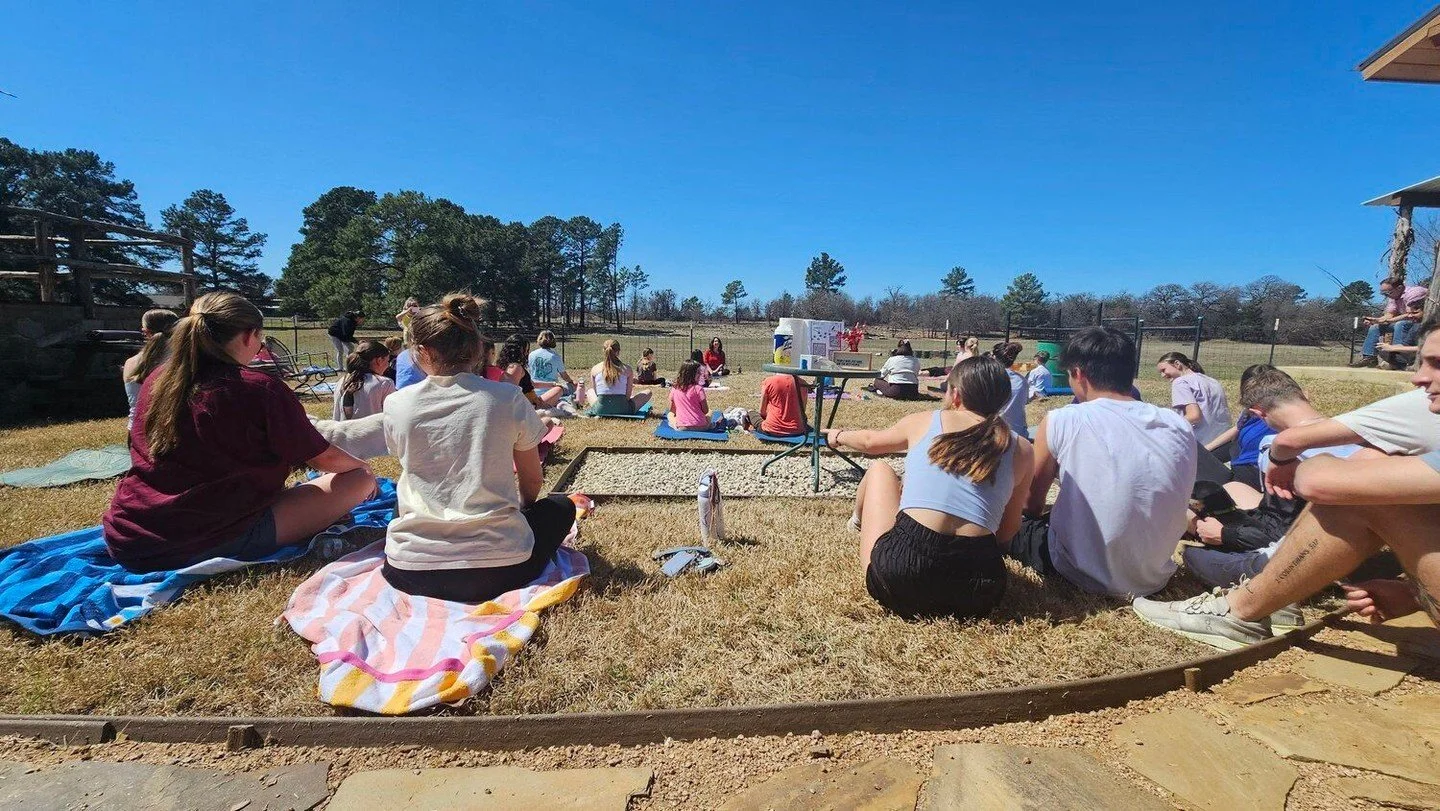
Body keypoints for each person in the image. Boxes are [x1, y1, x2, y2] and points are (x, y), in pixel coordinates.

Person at [1134, 317, 1440, 647]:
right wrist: (1412, 593)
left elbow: (1319, 485)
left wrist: (1287, 455)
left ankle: (1244, 605)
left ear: (1257, 412)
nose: (1418, 377)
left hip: (1275, 539)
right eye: (1423, 362)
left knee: (1359, 487)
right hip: (1339, 548)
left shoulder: (1398, 426)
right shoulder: (1402, 432)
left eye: (1437, 364)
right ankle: (1271, 595)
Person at [102, 293, 375, 573]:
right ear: (248, 336)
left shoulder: (157, 380)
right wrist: (362, 467)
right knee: (359, 479)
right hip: (205, 538)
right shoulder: (258, 388)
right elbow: (321, 458)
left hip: (129, 535)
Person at [379, 293, 577, 603]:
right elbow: (532, 480)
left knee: (403, 499)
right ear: (478, 349)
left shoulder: (396, 403)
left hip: (411, 569)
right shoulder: (506, 398)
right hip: (502, 567)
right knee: (562, 507)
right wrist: (524, 508)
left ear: (421, 353)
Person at [823, 357, 1035, 619]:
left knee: (880, 471)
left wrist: (837, 435)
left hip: (901, 576)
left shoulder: (925, 420)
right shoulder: (1022, 449)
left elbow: (869, 442)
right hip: (980, 592)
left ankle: (859, 522)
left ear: (955, 394)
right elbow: (1007, 531)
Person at [1007, 327, 1196, 597]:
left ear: (1078, 374)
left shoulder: (1063, 419)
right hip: (1154, 573)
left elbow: (1030, 505)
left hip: (1077, 569)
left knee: (1005, 519)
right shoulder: (1177, 424)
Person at [1182, 366, 1362, 587]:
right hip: (1352, 540)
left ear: (1258, 413)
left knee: (1186, 522)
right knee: (1235, 488)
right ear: (1305, 394)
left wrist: (1224, 534)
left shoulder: (1280, 453)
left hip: (1300, 550)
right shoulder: (1355, 439)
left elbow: (1280, 531)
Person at [1157, 351, 1232, 453]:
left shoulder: (1180, 382)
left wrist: (1166, 424)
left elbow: (1194, 416)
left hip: (1200, 445)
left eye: (1163, 370)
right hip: (1222, 443)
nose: (1162, 375)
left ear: (1177, 364)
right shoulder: (1212, 381)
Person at [122, 309, 180, 431]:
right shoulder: (181, 361)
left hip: (136, 431)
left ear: (145, 332)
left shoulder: (130, 363)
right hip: (171, 432)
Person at [1352, 276, 1428, 368]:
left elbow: (1410, 314)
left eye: (1387, 292)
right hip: (1407, 321)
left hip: (1420, 322)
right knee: (1375, 327)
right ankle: (1369, 357)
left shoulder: (1414, 293)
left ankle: (1398, 358)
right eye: (1383, 293)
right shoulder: (1394, 296)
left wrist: (1388, 320)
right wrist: (1377, 320)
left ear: (1399, 288)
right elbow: (1390, 314)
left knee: (1400, 324)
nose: (1386, 295)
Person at [582, 339, 652, 416]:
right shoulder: (627, 369)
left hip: (600, 409)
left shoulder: (595, 369)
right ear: (618, 352)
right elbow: (627, 397)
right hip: (624, 410)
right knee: (648, 392)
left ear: (603, 350)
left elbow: (596, 394)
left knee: (589, 391)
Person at [333, 340, 397, 421]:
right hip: (371, 432)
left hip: (341, 432)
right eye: (387, 361)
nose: (388, 365)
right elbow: (393, 415)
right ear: (379, 360)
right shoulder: (384, 383)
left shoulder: (342, 381)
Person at [499, 334, 563, 408]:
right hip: (531, 405)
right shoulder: (515, 367)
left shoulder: (505, 365)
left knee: (557, 389)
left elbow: (533, 384)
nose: (527, 353)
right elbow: (510, 391)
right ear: (520, 350)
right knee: (559, 390)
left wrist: (553, 384)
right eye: (526, 350)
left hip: (529, 401)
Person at [991, 342, 1030, 440]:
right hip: (1019, 433)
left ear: (994, 357)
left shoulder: (989, 378)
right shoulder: (1022, 381)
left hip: (994, 434)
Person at [754, 372, 809, 436]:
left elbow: (762, 412)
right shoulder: (803, 383)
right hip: (797, 430)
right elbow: (803, 411)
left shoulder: (769, 381)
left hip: (772, 429)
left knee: (752, 413)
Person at [667, 360, 714, 430]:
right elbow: (705, 411)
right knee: (710, 412)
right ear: (691, 374)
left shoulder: (675, 388)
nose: (701, 374)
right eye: (698, 372)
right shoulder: (698, 389)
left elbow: (672, 409)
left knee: (670, 415)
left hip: (682, 427)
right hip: (701, 426)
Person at [527, 330, 576, 395]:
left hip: (534, 389)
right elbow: (564, 376)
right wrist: (571, 382)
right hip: (551, 391)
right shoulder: (555, 356)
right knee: (572, 387)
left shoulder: (531, 354)